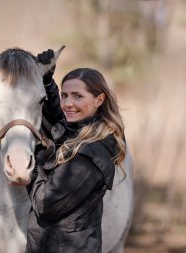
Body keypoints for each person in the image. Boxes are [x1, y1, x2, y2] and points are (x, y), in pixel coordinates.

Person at [25, 50, 126, 253]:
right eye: (65, 95)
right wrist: (47, 82)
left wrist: (33, 159)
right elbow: (60, 117)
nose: (68, 104)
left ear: (99, 100)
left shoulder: (91, 153)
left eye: (78, 96)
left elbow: (46, 205)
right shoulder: (84, 129)